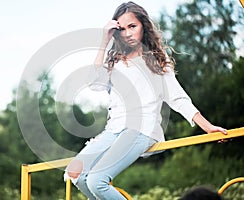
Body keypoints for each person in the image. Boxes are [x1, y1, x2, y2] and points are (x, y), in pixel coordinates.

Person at [64, 2, 227, 199]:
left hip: (141, 127)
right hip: (114, 129)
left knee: (96, 180)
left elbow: (177, 97)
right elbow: (95, 85)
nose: (127, 34)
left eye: (132, 26)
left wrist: (207, 126)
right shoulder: (114, 59)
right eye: (121, 29)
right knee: (76, 174)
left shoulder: (156, 58)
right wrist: (103, 41)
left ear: (143, 26)